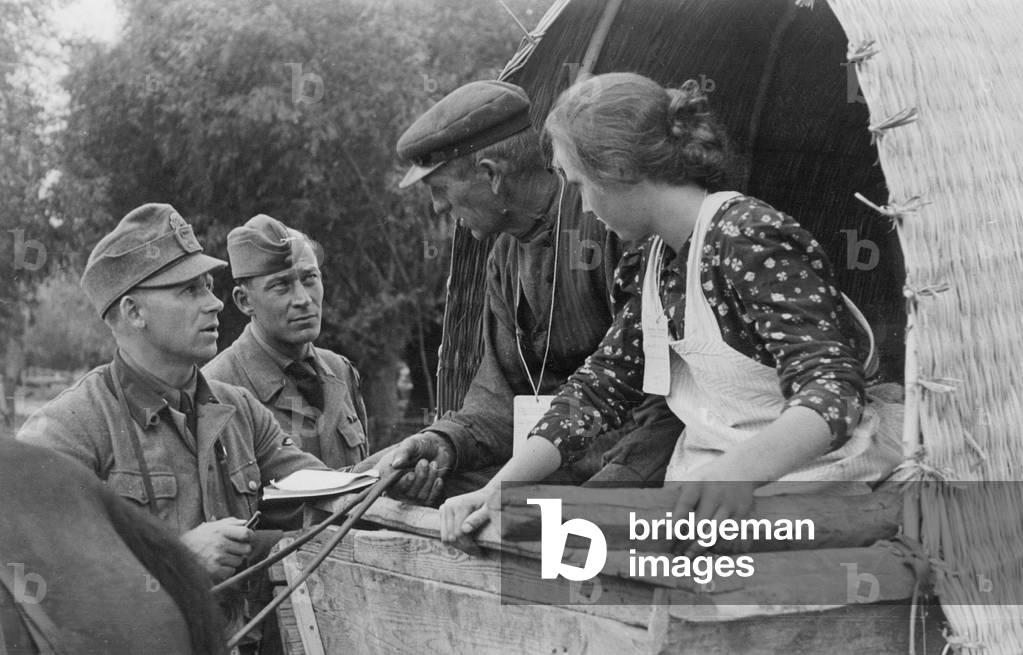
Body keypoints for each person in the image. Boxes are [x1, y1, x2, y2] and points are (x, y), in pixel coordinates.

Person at [438, 73, 902, 552]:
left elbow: (832, 393)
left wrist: (737, 474)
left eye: (578, 183)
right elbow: (598, 390)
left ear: (617, 170)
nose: (582, 203)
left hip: (813, 479)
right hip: (713, 486)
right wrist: (499, 489)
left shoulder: (749, 238)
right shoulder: (653, 260)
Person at [16, 203, 328, 650]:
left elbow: (325, 493)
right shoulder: (70, 429)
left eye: (208, 285)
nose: (214, 302)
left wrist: (397, 465)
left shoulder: (238, 410)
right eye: (189, 290)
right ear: (133, 312)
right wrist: (176, 560)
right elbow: (35, 584)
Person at [354, 80, 683, 502]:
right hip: (543, 464)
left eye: (440, 189)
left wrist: (598, 501)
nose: (437, 207)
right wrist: (444, 443)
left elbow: (664, 406)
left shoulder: (615, 222)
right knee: (376, 481)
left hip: (631, 466)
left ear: (491, 175)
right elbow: (497, 402)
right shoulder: (503, 256)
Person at [204, 214, 368, 469]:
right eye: (281, 286)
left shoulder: (339, 370)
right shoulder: (217, 389)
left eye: (309, 278)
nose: (303, 299)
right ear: (244, 301)